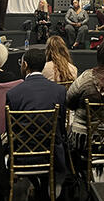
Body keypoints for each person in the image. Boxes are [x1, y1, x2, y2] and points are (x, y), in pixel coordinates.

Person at [6, 48, 67, 178]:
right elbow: (61, 128)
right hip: (53, 155)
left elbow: (10, 129)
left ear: (25, 65)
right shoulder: (59, 91)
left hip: (22, 155)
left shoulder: (13, 94)